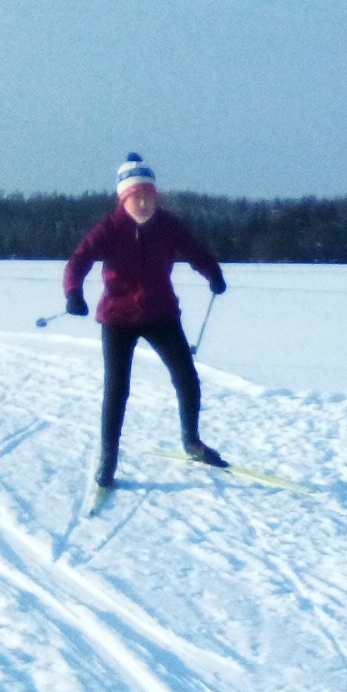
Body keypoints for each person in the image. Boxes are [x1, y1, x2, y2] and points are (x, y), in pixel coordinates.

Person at [63, 153, 228, 490]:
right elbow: (78, 261)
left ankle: (192, 441)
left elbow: (195, 249)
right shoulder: (109, 229)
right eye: (135, 197)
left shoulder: (168, 226)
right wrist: (73, 293)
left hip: (161, 313)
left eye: (148, 196)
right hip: (118, 317)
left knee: (186, 377)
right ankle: (108, 458)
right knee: (117, 389)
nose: (142, 203)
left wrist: (213, 272)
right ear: (124, 198)